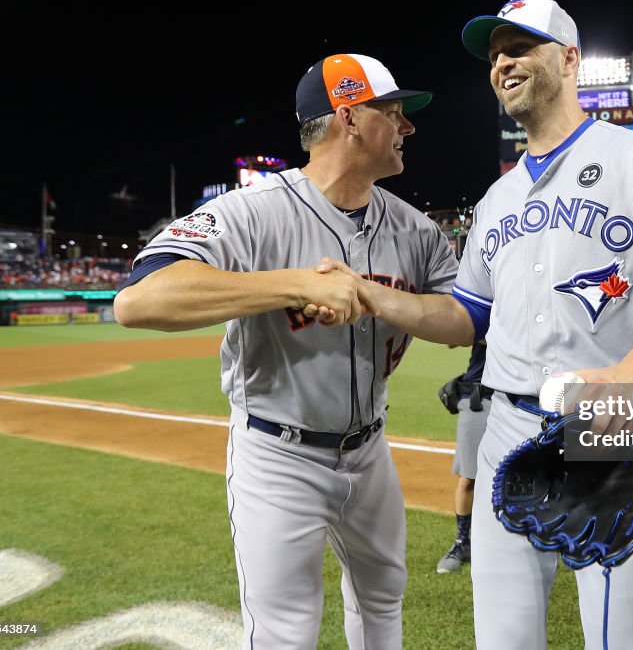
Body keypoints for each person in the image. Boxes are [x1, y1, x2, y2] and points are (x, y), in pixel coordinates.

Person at [314, 0, 633, 649]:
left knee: (619, 638)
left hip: (603, 429)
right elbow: (462, 316)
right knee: (503, 639)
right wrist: (369, 294)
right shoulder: (496, 199)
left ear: (569, 59)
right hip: (506, 428)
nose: (502, 60)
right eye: (494, 52)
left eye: (519, 46)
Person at [113, 53, 460, 650]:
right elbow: (139, 300)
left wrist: (370, 295)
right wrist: (296, 283)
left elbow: (460, 323)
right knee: (285, 632)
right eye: (394, 112)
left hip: (371, 448)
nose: (408, 127)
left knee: (383, 601)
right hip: (278, 455)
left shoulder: (416, 230)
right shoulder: (251, 212)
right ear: (348, 118)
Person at [435, 342, 491, 574]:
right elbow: (453, 339)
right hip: (479, 398)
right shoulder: (491, 306)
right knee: (469, 477)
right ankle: (462, 542)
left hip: (525, 400)